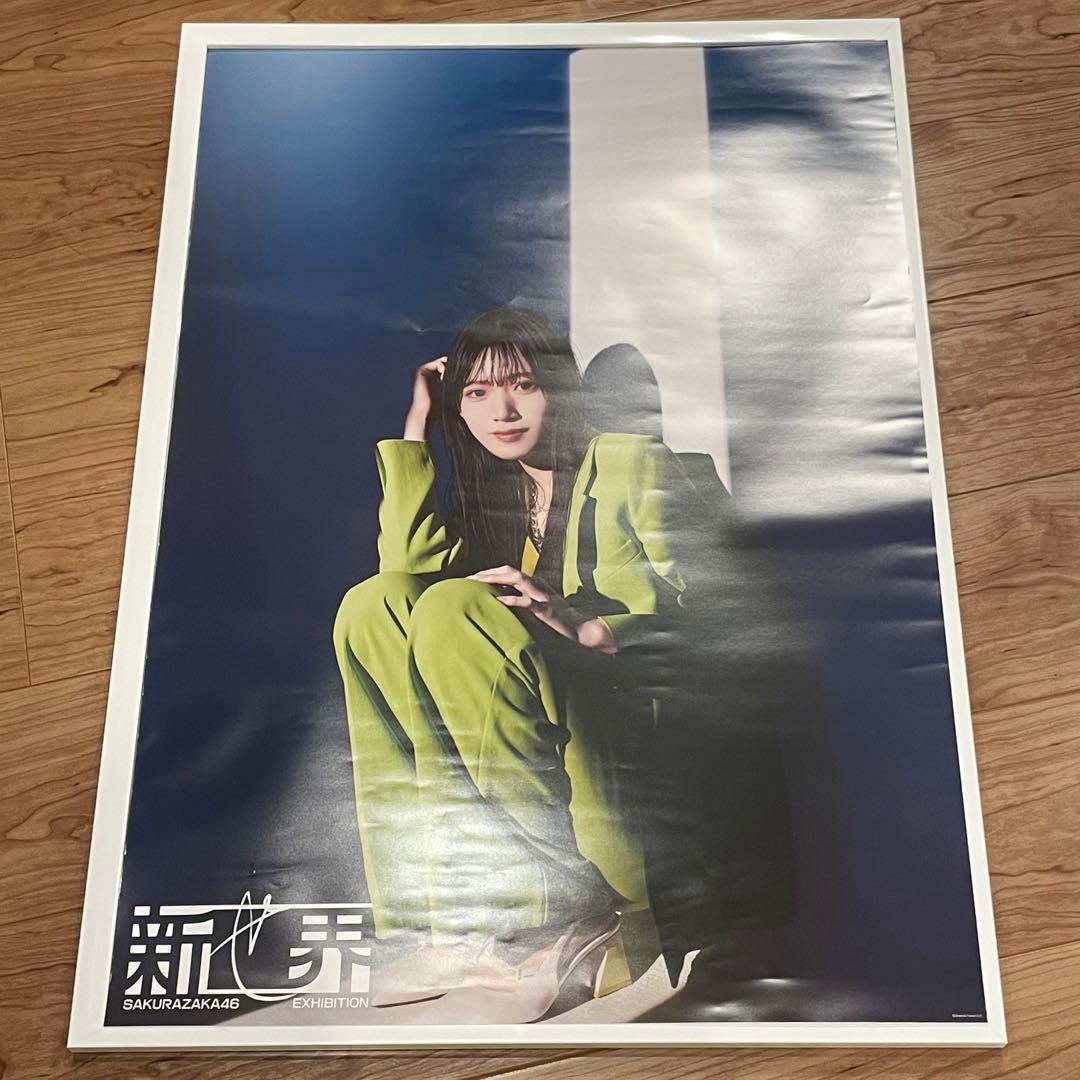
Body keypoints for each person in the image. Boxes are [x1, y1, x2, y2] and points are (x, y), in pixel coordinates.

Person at [331, 307, 700, 1021]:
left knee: (453, 608)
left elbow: (707, 615)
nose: (500, 411)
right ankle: (455, 919)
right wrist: (419, 422)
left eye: (523, 386)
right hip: (535, 703)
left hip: (621, 706)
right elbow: (405, 567)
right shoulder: (500, 497)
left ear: (559, 388)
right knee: (372, 607)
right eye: (475, 393)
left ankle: (564, 913)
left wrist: (575, 621)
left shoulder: (630, 462)